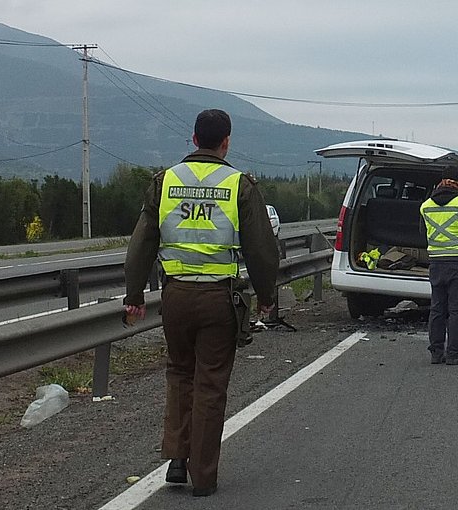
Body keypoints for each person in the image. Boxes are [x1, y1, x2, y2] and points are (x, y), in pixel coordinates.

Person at [122, 109, 279, 497]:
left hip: (175, 296)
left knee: (179, 374)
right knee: (210, 384)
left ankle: (177, 457)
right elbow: (261, 250)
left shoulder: (165, 181)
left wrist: (134, 295)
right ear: (226, 142)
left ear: (193, 139)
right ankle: (203, 477)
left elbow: (141, 243)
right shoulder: (239, 184)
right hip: (218, 299)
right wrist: (266, 297)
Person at [419, 165, 458, 365]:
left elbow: (423, 234)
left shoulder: (425, 205)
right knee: (456, 310)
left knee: (437, 309)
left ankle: (436, 352)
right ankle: (455, 353)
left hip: (436, 263)